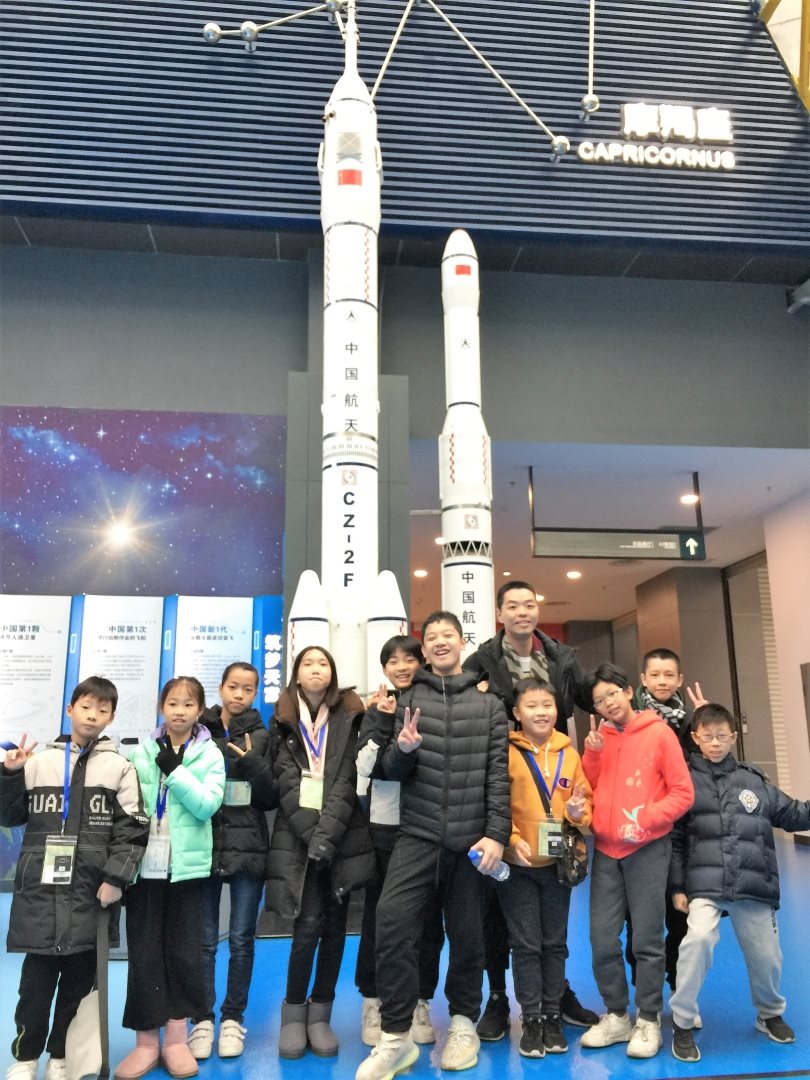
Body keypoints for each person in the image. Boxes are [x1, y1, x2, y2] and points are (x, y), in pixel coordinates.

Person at [355, 611, 510, 1080]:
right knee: (391, 922)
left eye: (449, 635)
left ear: (462, 642)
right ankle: (395, 1036)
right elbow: (386, 771)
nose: (441, 642)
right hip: (416, 834)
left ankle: (462, 1024)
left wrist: (497, 834)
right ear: (424, 650)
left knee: (467, 935)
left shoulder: (489, 706)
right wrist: (402, 749)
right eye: (433, 637)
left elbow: (497, 776)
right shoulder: (406, 699)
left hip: (470, 841)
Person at [463, 579, 598, 1037]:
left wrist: (635, 706)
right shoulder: (483, 659)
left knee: (552, 918)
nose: (522, 612)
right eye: (513, 606)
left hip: (553, 779)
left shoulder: (561, 657)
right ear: (499, 613)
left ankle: (556, 995)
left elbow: (593, 695)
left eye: (529, 604)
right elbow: (458, 698)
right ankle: (499, 998)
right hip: (503, 774)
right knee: (499, 912)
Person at [1, 676, 148, 1080]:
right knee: (34, 988)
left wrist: (116, 878)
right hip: (40, 894)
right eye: (86, 706)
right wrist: (10, 775)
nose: (92, 715)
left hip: (91, 895)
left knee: (78, 987)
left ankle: (61, 1057)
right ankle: (25, 1057)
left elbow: (133, 829)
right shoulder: (38, 763)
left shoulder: (120, 768)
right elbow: (8, 815)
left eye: (102, 709)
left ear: (111, 717)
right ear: (70, 710)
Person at [668, 703, 809, 1063]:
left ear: (733, 737)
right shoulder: (684, 780)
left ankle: (769, 1014)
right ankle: (683, 1021)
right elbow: (676, 839)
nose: (715, 743)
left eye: (722, 736)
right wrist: (677, 887)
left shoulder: (753, 779)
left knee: (767, 955)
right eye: (708, 736)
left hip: (752, 883)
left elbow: (792, 814)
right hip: (705, 883)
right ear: (696, 738)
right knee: (697, 941)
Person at [579, 662, 693, 1059]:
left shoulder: (659, 733)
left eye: (612, 693)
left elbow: (683, 793)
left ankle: (647, 1017)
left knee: (647, 938)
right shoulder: (600, 739)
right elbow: (590, 786)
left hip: (647, 848)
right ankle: (616, 1015)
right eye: (599, 700)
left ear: (628, 691)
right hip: (606, 850)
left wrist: (645, 819)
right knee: (601, 938)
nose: (608, 703)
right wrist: (592, 754)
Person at [267, 646, 375, 1061]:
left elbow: (348, 780)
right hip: (299, 840)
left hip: (341, 838)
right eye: (308, 664)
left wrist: (326, 836)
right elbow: (285, 781)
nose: (316, 670)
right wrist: (314, 836)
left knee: (334, 928)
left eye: (323, 663)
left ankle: (321, 1014)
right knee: (306, 925)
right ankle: (294, 1013)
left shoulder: (350, 715)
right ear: (297, 674)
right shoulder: (282, 719)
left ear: (332, 673)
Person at [116, 676, 226, 1080]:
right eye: (173, 703)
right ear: (162, 707)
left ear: (200, 710)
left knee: (183, 954)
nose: (180, 711)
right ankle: (146, 1042)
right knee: (144, 952)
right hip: (145, 868)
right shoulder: (142, 752)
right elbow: (129, 807)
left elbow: (207, 805)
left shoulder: (210, 754)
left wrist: (175, 771)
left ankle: (177, 1040)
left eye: (188, 704)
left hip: (187, 871)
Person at [355, 636, 444, 1048]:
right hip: (386, 830)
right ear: (384, 668)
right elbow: (366, 766)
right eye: (393, 660)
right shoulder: (376, 709)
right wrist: (379, 719)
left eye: (410, 658)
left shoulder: (435, 703)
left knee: (428, 921)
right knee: (379, 918)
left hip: (429, 826)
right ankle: (373, 1000)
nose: (402, 666)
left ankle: (420, 1001)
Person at [499, 678, 593, 1059]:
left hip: (557, 865)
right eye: (532, 706)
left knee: (555, 943)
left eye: (547, 705)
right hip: (518, 864)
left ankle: (553, 1015)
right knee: (525, 945)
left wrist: (578, 812)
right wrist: (509, 839)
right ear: (517, 713)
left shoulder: (569, 754)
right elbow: (496, 803)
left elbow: (584, 803)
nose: (541, 712)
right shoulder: (506, 752)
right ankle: (532, 1017)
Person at [188, 663, 278, 1061]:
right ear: (221, 688)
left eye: (248, 688)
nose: (239, 694)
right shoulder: (199, 732)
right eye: (233, 687)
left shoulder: (263, 735)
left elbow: (271, 797)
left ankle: (231, 1019)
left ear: (256, 693)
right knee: (204, 941)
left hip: (249, 846)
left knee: (241, 939)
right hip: (204, 844)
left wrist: (252, 764)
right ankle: (201, 1019)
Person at [626, 648, 704, 991]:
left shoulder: (690, 723)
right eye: (655, 675)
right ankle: (646, 990)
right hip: (639, 829)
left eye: (669, 675)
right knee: (639, 916)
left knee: (680, 914)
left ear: (679, 679)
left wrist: (703, 722)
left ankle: (677, 984)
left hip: (681, 828)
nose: (662, 681)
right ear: (643, 679)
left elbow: (706, 763)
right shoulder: (629, 719)